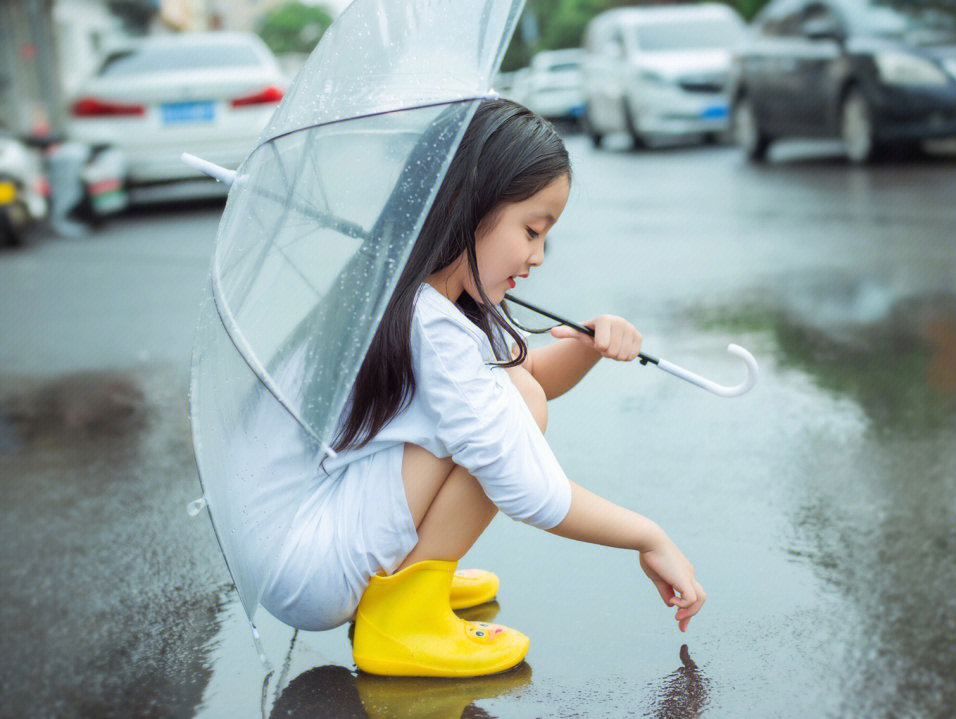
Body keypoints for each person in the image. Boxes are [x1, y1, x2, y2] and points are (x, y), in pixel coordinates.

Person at [260, 98, 705, 678]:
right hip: (314, 565)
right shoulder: (431, 324)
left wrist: (588, 349)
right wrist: (650, 536)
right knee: (511, 408)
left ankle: (418, 575)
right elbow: (528, 487)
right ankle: (401, 616)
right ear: (471, 204)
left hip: (322, 528)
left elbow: (529, 375)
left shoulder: (421, 293)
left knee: (513, 394)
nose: (538, 256)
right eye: (531, 230)